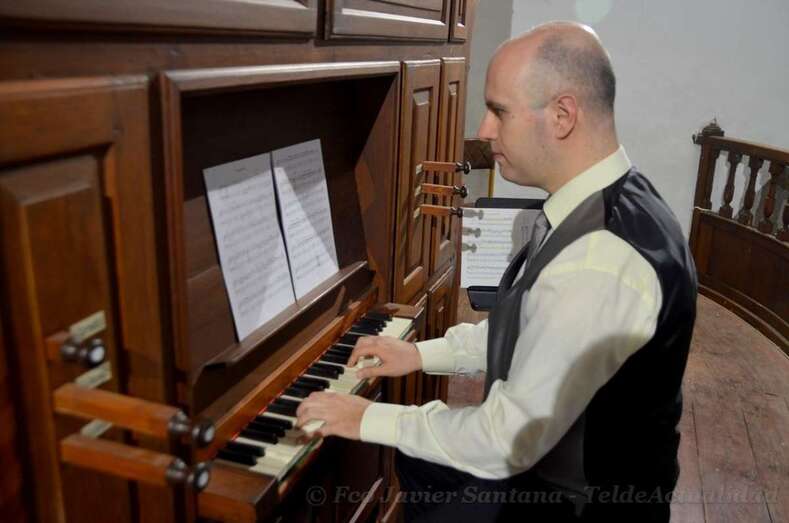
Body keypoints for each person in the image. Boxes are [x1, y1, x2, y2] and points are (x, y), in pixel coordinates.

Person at [296, 21, 697, 522]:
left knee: (415, 455)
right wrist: (420, 353)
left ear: (562, 115)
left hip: (579, 504)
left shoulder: (599, 259)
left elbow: (507, 439)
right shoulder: (610, 198)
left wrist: (366, 417)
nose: (484, 132)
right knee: (419, 461)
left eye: (498, 111)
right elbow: (533, 330)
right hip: (556, 473)